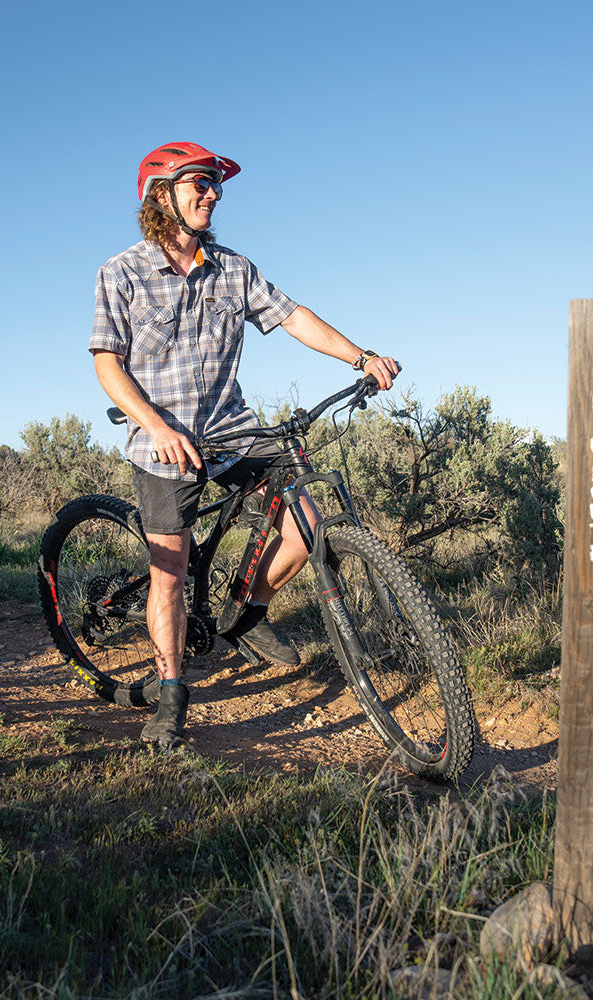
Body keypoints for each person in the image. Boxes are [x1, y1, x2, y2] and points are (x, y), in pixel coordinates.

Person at [89, 141, 399, 749]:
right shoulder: (120, 272)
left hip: (231, 428)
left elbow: (293, 316)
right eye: (198, 184)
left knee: (306, 517)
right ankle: (172, 693)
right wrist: (156, 425)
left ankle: (245, 614)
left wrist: (360, 355)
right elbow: (108, 364)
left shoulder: (234, 268)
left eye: (215, 185)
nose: (213, 194)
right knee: (171, 572)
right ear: (162, 194)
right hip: (161, 440)